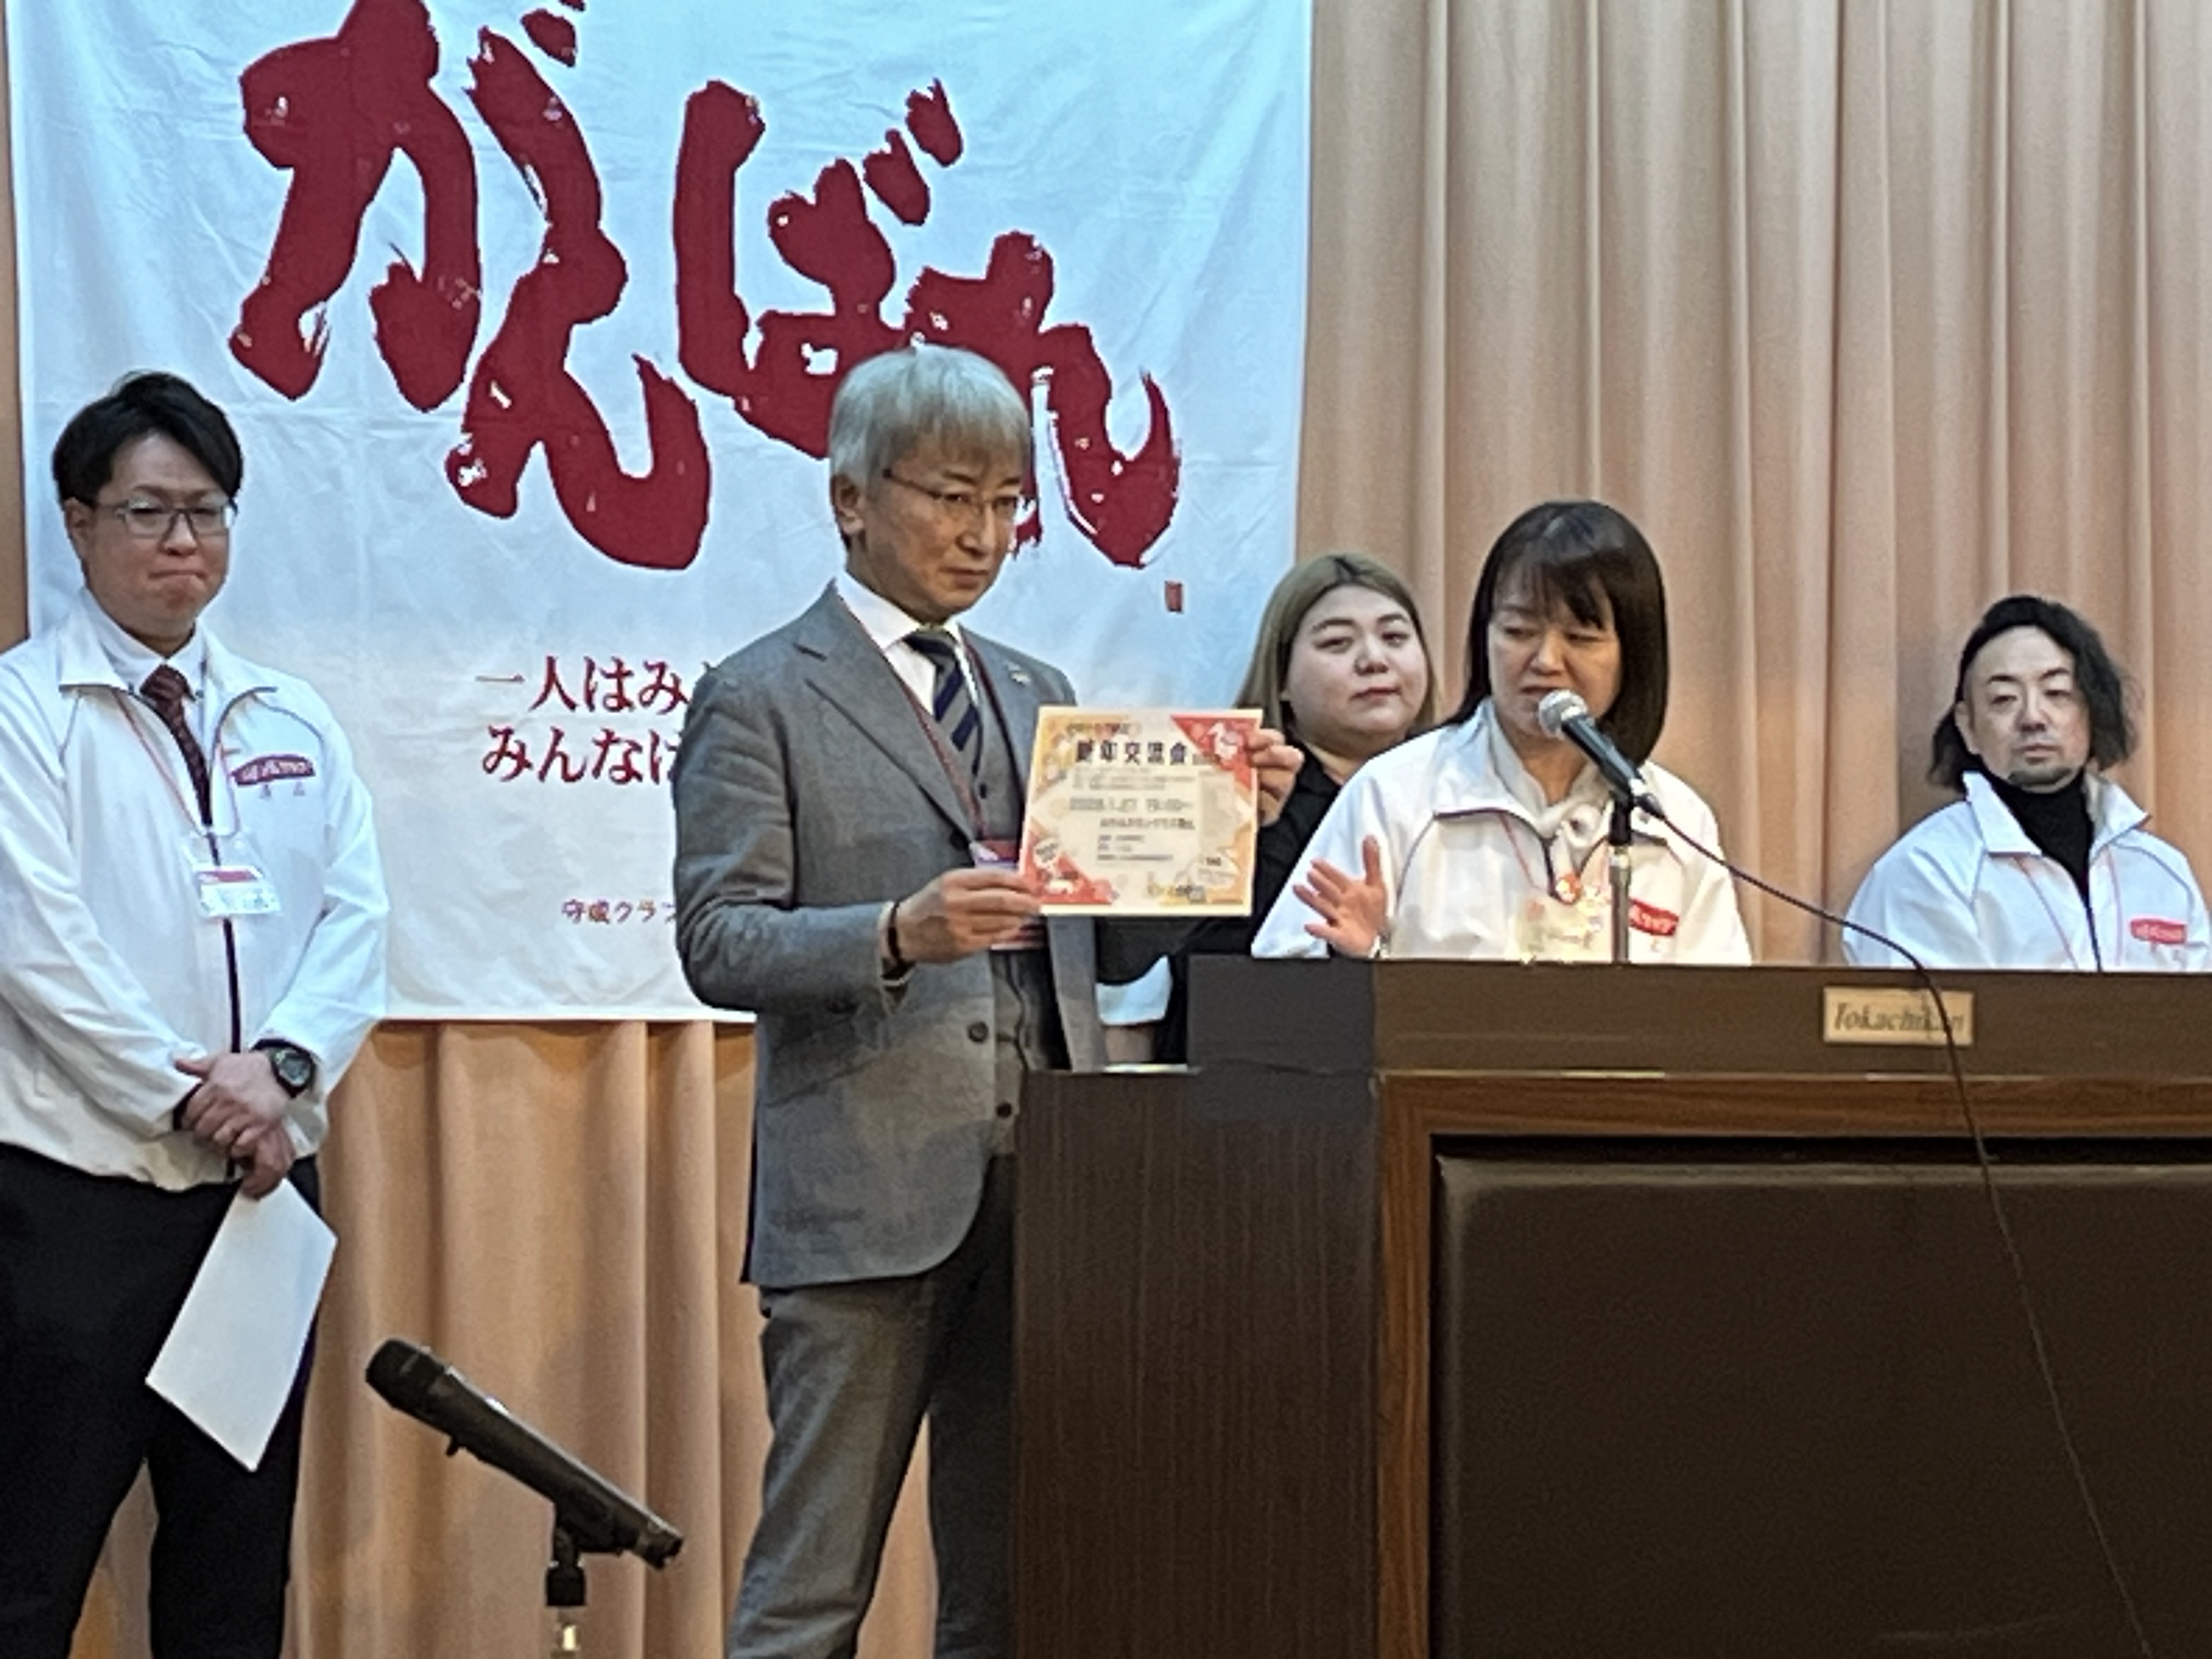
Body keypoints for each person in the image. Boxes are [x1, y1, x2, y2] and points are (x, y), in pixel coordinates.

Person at [671, 342, 1296, 1658]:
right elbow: (720, 942)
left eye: (1009, 501)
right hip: (864, 1197)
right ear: (851, 499)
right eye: (952, 497)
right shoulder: (760, 694)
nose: (984, 534)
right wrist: (894, 933)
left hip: (1044, 1189)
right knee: (811, 1590)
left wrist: (1221, 833)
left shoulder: (1034, 692)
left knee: (1015, 1585)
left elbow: (1103, 944)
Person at [0, 371, 388, 1657]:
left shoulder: (291, 714)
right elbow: (38, 950)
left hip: (257, 1207)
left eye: (208, 511)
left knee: (235, 1566)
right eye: (149, 511)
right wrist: (195, 1098)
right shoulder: (22, 713)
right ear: (78, 523)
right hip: (80, 1206)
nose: (183, 541)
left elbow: (357, 922)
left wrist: (284, 1069)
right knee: (31, 1562)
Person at [1251, 498, 1751, 963]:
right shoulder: (1395, 793)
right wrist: (1356, 962)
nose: (1546, 661)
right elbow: (1281, 978)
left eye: (1580, 637)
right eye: (1518, 631)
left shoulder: (1672, 818)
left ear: (1634, 656)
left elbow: (1719, 1007)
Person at [1148, 553, 1434, 1059]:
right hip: (1252, 1076)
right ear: (1281, 676)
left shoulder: (1456, 791)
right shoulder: (1241, 794)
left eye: (1394, 637)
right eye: (1337, 643)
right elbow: (1206, 975)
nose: (1374, 660)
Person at [1843, 594, 2208, 970]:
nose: (2033, 717)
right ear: (1968, 727)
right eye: (2004, 699)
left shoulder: (2162, 871)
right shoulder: (1926, 869)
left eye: (2057, 693)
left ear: (2094, 711)